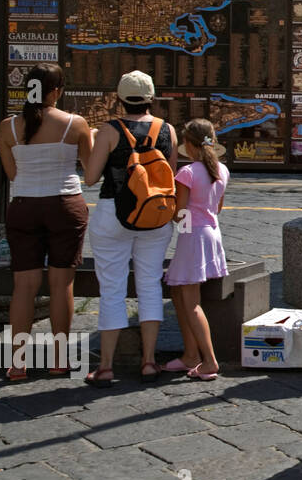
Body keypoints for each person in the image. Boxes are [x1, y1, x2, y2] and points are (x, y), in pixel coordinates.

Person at [0, 63, 94, 379]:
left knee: (23, 286)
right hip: (64, 204)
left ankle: (17, 361)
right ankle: (59, 359)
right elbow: (90, 170)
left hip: (24, 205)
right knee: (61, 283)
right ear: (57, 91)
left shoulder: (8, 127)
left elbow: (12, 174)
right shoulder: (74, 124)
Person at [83, 71, 178, 387]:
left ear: (119, 98)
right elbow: (170, 176)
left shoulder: (110, 131)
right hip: (155, 214)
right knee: (150, 284)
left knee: (112, 287)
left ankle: (106, 366)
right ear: (152, 98)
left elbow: (91, 177)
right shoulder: (167, 130)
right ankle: (149, 362)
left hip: (113, 212)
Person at [163, 119, 229, 381]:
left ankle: (209, 361)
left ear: (188, 145)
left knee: (190, 302)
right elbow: (218, 208)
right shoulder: (222, 170)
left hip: (193, 237)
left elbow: (180, 214)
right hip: (212, 233)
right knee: (179, 293)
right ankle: (190, 355)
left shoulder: (187, 173)